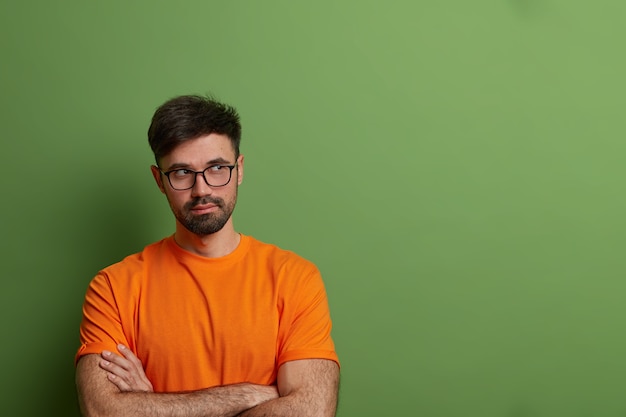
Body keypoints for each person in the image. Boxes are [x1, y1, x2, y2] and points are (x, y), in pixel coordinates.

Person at [75, 94, 340, 417]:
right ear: (159, 180)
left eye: (217, 168)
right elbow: (102, 411)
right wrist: (247, 396)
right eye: (182, 173)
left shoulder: (294, 278)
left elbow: (311, 411)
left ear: (239, 169)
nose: (202, 189)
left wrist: (155, 405)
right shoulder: (114, 287)